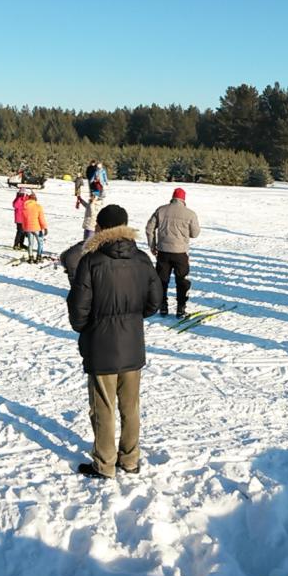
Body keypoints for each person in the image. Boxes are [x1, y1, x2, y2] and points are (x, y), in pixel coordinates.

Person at [65, 205, 164, 479]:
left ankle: (104, 464)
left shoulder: (91, 261)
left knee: (103, 408)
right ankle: (130, 460)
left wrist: (89, 328)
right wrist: (132, 318)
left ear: (100, 228)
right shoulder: (141, 259)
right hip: (132, 344)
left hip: (101, 346)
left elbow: (78, 310)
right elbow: (154, 301)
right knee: (130, 407)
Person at [144, 188, 200, 317]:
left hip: (163, 252)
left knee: (162, 280)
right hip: (181, 253)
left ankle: (163, 306)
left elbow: (149, 228)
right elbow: (195, 233)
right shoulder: (190, 214)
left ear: (172, 197)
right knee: (182, 281)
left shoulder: (161, 210)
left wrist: (153, 246)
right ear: (183, 199)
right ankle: (181, 308)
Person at [19, 190, 49, 262]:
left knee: (30, 243)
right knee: (40, 242)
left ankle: (31, 257)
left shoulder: (25, 207)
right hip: (36, 228)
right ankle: (39, 257)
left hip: (28, 228)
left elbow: (23, 219)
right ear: (35, 199)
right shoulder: (38, 206)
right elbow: (41, 218)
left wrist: (24, 228)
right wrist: (45, 228)